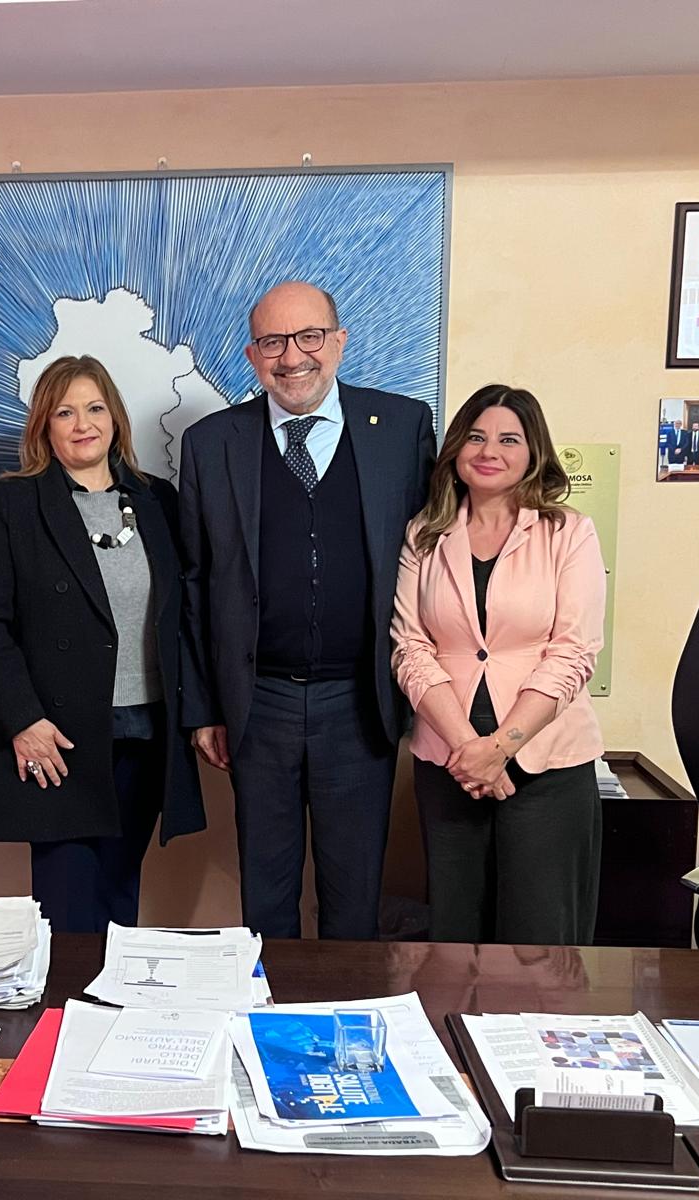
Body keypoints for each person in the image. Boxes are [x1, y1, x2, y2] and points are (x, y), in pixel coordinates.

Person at [179, 281, 435, 940]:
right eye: (272, 342)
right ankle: (270, 1006)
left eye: (309, 337)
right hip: (257, 701)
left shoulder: (402, 429)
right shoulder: (211, 443)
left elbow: (436, 559)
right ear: (251, 354)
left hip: (359, 702)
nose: (292, 357)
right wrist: (204, 706)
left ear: (339, 342)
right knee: (266, 896)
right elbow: (195, 581)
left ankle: (349, 1006)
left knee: (354, 896)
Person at [0, 355, 205, 933]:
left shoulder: (157, 501)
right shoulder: (13, 503)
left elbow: (185, 615)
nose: (82, 424)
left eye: (94, 408)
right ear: (44, 426)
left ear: (115, 417)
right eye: (64, 412)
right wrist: (23, 720)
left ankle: (113, 995)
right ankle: (67, 996)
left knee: (120, 896)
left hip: (147, 731)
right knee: (68, 910)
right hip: (57, 739)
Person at [391, 383, 606, 945]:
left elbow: (574, 650)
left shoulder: (568, 532)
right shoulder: (425, 534)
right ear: (456, 449)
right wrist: (470, 751)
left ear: (534, 452)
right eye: (476, 437)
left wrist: (500, 747)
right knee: (455, 934)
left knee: (540, 940)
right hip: (450, 762)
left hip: (547, 762)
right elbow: (410, 647)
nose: (489, 451)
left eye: (509, 439)